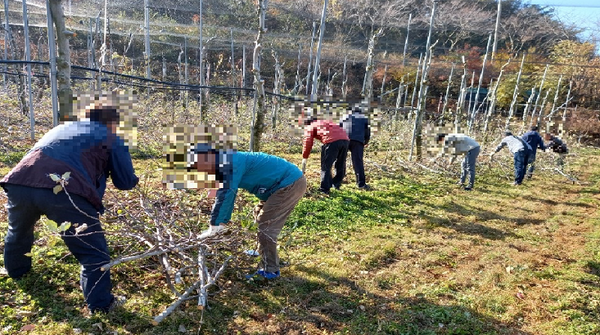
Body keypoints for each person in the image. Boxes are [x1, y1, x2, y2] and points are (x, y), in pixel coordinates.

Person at [1, 104, 139, 313]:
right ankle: (101, 305)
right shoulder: (111, 136)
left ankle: (17, 272)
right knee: (92, 250)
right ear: (113, 122)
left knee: (18, 231)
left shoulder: (62, 128)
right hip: (65, 189)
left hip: (20, 180)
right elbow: (125, 181)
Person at [192, 147, 306, 280]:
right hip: (278, 184)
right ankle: (260, 251)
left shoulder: (229, 163)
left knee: (265, 226)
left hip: (288, 184)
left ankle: (270, 270)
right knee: (259, 214)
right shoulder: (226, 159)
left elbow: (227, 193)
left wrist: (216, 225)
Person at [302, 118, 350, 194]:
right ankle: (336, 184)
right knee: (341, 163)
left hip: (331, 142)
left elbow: (308, 141)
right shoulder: (326, 122)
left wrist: (305, 156)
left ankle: (324, 189)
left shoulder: (311, 126)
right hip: (346, 140)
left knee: (326, 166)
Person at [340, 107, 371, 190]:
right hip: (358, 141)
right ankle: (361, 184)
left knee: (341, 160)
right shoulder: (364, 118)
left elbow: (338, 128)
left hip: (344, 139)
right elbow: (367, 132)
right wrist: (365, 142)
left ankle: (338, 181)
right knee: (358, 162)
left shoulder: (344, 117)